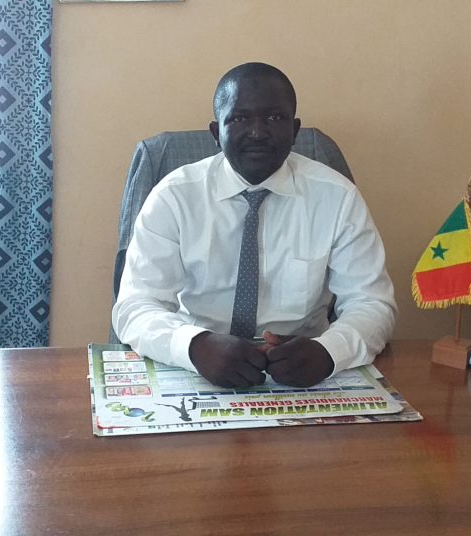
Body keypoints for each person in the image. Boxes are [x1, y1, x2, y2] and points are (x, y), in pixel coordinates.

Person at [112, 62, 396, 388]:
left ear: (295, 129)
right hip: (197, 369)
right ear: (216, 133)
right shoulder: (174, 197)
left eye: (274, 117)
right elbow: (135, 306)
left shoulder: (337, 197)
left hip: (302, 372)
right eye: (239, 118)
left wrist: (329, 352)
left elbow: (372, 303)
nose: (258, 132)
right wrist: (194, 346)